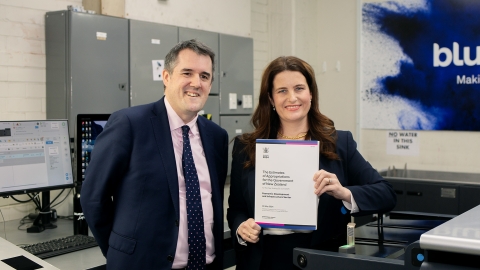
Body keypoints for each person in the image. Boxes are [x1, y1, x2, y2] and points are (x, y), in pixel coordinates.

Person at [227, 56, 396, 270]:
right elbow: (236, 209)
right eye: (282, 91)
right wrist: (241, 227)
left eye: (299, 88)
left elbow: (386, 194)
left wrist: (344, 193)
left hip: (321, 259)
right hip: (263, 259)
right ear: (270, 98)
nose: (292, 98)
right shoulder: (247, 147)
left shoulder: (339, 143)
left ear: (311, 93)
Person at [81, 39, 229, 270]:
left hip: (205, 265)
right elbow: (93, 197)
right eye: (187, 73)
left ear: (210, 84)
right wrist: (119, 251)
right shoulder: (129, 124)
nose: (196, 83)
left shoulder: (217, 136)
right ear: (167, 77)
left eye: (204, 76)